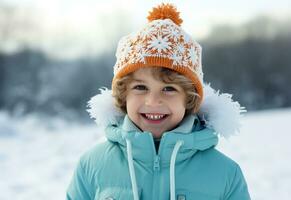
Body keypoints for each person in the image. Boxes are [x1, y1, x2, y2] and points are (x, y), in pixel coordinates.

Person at [66, 3, 251, 200]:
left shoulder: (225, 174)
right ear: (123, 96)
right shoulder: (92, 165)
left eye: (169, 88)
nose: (153, 101)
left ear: (189, 99)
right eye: (140, 87)